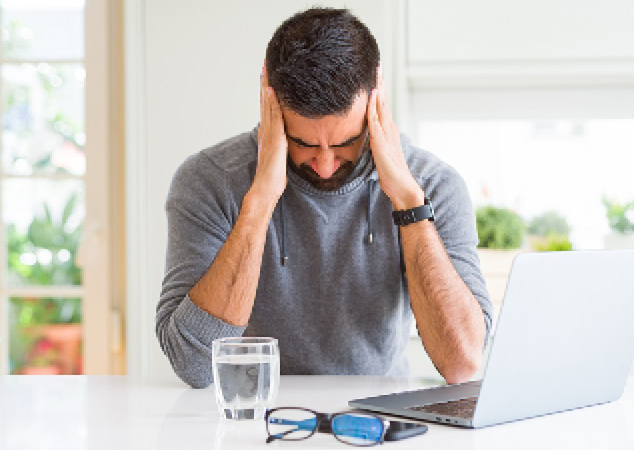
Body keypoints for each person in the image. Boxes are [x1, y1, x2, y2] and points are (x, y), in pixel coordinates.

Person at [157, 7, 492, 389]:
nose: (327, 165)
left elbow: (462, 363)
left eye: (346, 142)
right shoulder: (210, 179)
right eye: (303, 143)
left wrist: (408, 203)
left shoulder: (432, 184)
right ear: (270, 101)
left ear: (375, 98)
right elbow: (193, 365)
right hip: (252, 419)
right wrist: (261, 199)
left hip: (377, 422)